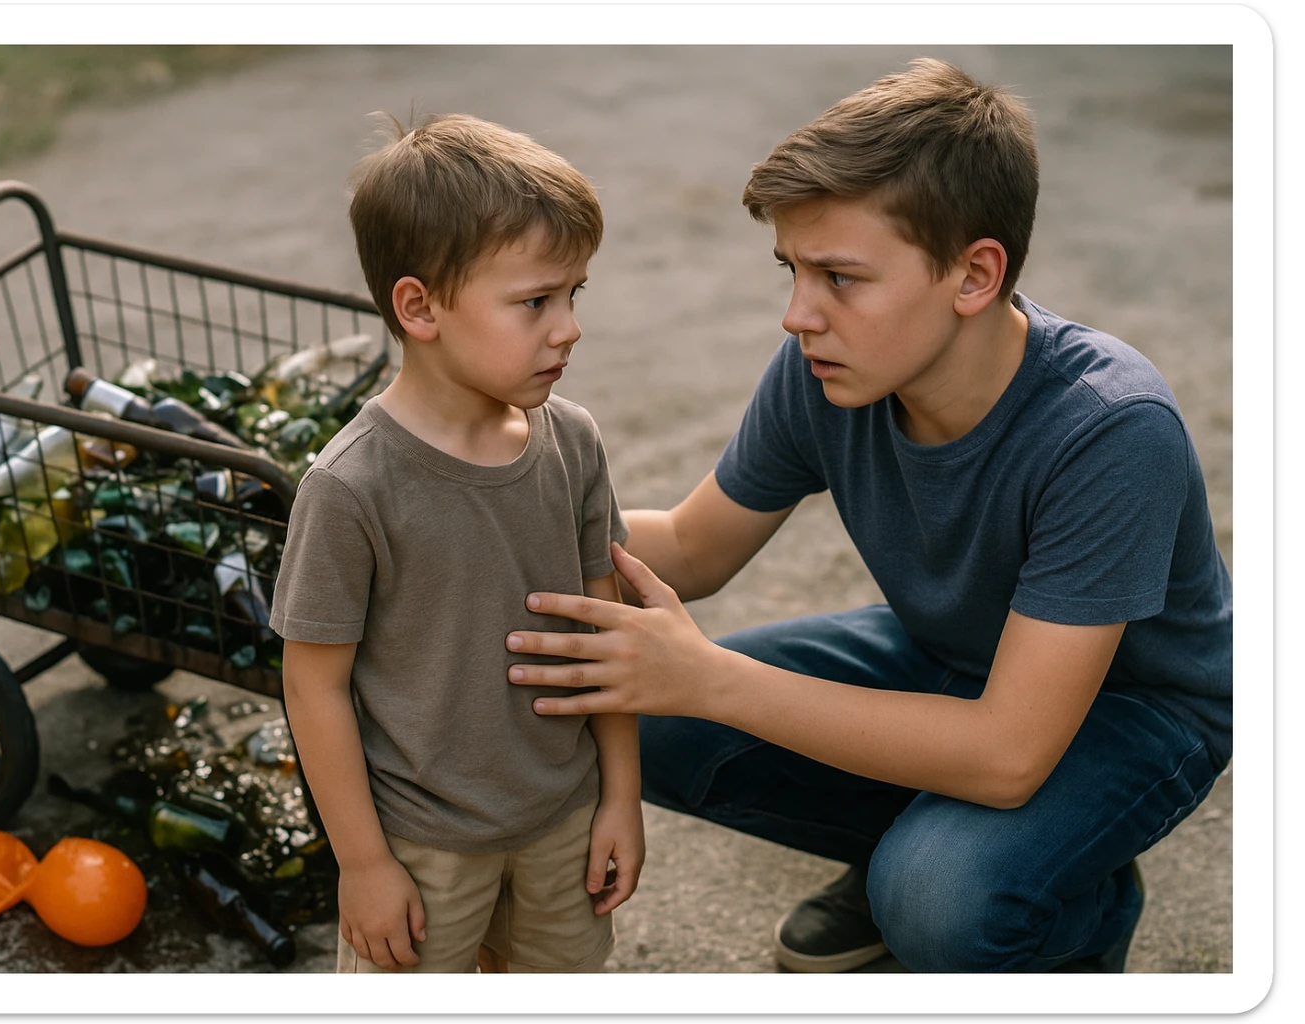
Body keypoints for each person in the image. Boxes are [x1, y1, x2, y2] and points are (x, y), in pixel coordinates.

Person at [503, 58, 1232, 974]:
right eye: (792, 270)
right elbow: (692, 545)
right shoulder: (827, 371)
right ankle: (933, 840)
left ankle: (1055, 902)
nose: (797, 315)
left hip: (1134, 710)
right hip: (951, 654)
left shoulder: (1110, 429)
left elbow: (1009, 753)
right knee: (634, 714)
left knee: (939, 896)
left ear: (974, 276)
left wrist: (709, 679)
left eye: (840, 277)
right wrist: (482, 518)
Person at [271, 112, 642, 974]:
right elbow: (314, 686)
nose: (570, 327)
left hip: (562, 821)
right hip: (420, 844)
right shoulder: (351, 487)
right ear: (420, 307)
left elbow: (607, 635)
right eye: (535, 301)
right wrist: (363, 864)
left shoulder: (572, 442)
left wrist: (620, 796)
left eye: (574, 294)